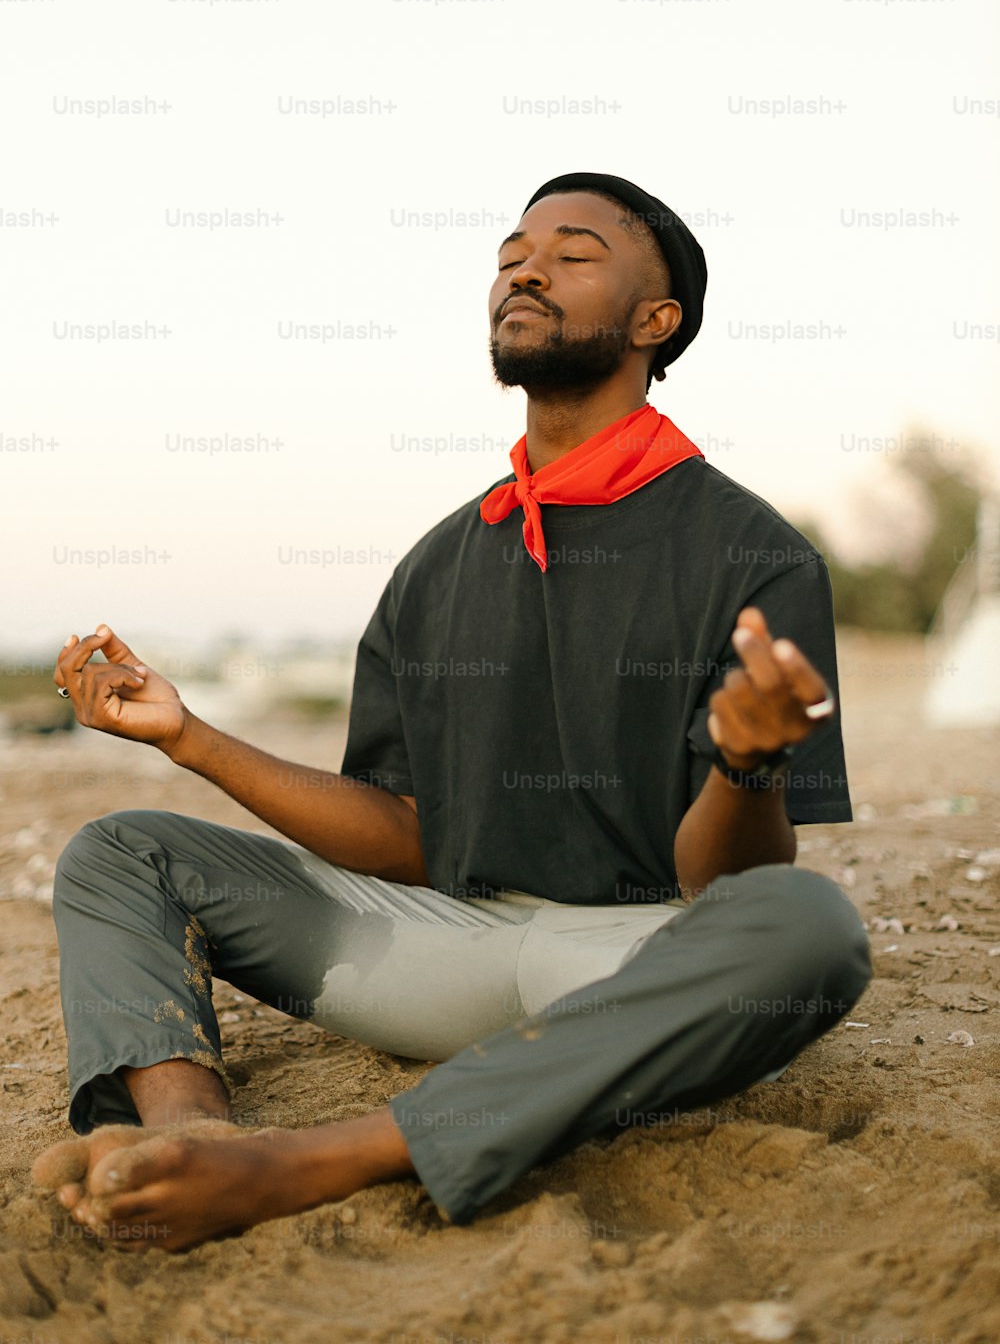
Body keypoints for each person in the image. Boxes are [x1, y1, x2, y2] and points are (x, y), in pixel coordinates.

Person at [34, 172, 871, 1253]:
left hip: (631, 963)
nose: (524, 268)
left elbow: (731, 893)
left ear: (654, 322)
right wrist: (187, 737)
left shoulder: (750, 553)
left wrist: (745, 768)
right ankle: (187, 1132)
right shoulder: (437, 566)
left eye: (573, 253)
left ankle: (321, 1160)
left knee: (811, 928)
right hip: (446, 949)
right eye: (510, 251)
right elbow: (407, 838)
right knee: (119, 851)